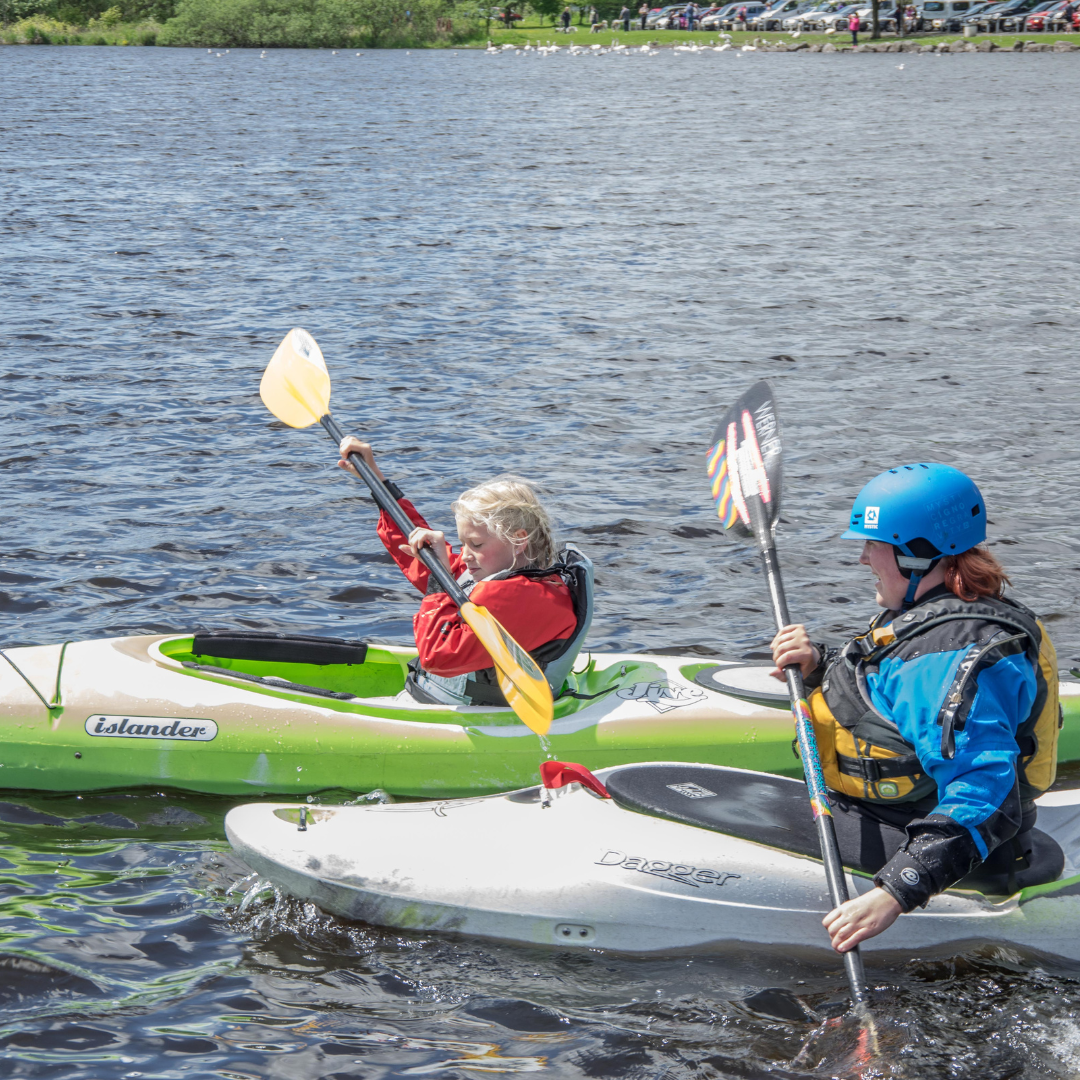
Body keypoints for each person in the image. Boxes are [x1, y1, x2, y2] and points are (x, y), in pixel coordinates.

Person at [770, 463, 1061, 954]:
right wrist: (819, 663)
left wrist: (895, 892)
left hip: (936, 841)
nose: (863, 558)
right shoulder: (939, 615)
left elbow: (987, 794)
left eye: (873, 545)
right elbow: (890, 683)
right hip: (897, 812)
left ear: (916, 556)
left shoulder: (953, 655)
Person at [338, 438, 581, 708]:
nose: (464, 554)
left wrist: (437, 588)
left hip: (474, 717)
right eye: (463, 542)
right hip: (439, 702)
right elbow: (418, 553)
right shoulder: (498, 572)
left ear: (518, 539)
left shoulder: (526, 598)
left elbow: (437, 657)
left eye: (476, 544)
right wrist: (376, 480)